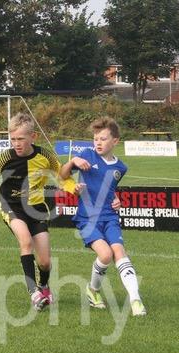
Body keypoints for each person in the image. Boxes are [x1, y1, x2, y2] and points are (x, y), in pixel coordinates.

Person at [0, 113, 77, 311]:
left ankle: (43, 285)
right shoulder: (7, 156)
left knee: (45, 262)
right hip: (11, 206)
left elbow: (62, 175)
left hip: (37, 209)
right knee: (26, 242)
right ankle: (34, 293)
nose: (16, 143)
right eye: (13, 139)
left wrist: (73, 188)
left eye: (21, 138)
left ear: (33, 136)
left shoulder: (46, 156)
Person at [59, 116, 146, 316]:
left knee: (119, 252)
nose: (98, 142)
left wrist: (116, 199)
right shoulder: (86, 155)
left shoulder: (121, 168)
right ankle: (93, 290)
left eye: (103, 139)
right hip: (87, 219)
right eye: (96, 138)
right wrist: (72, 161)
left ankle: (136, 300)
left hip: (109, 216)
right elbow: (62, 176)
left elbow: (109, 188)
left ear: (115, 141)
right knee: (105, 255)